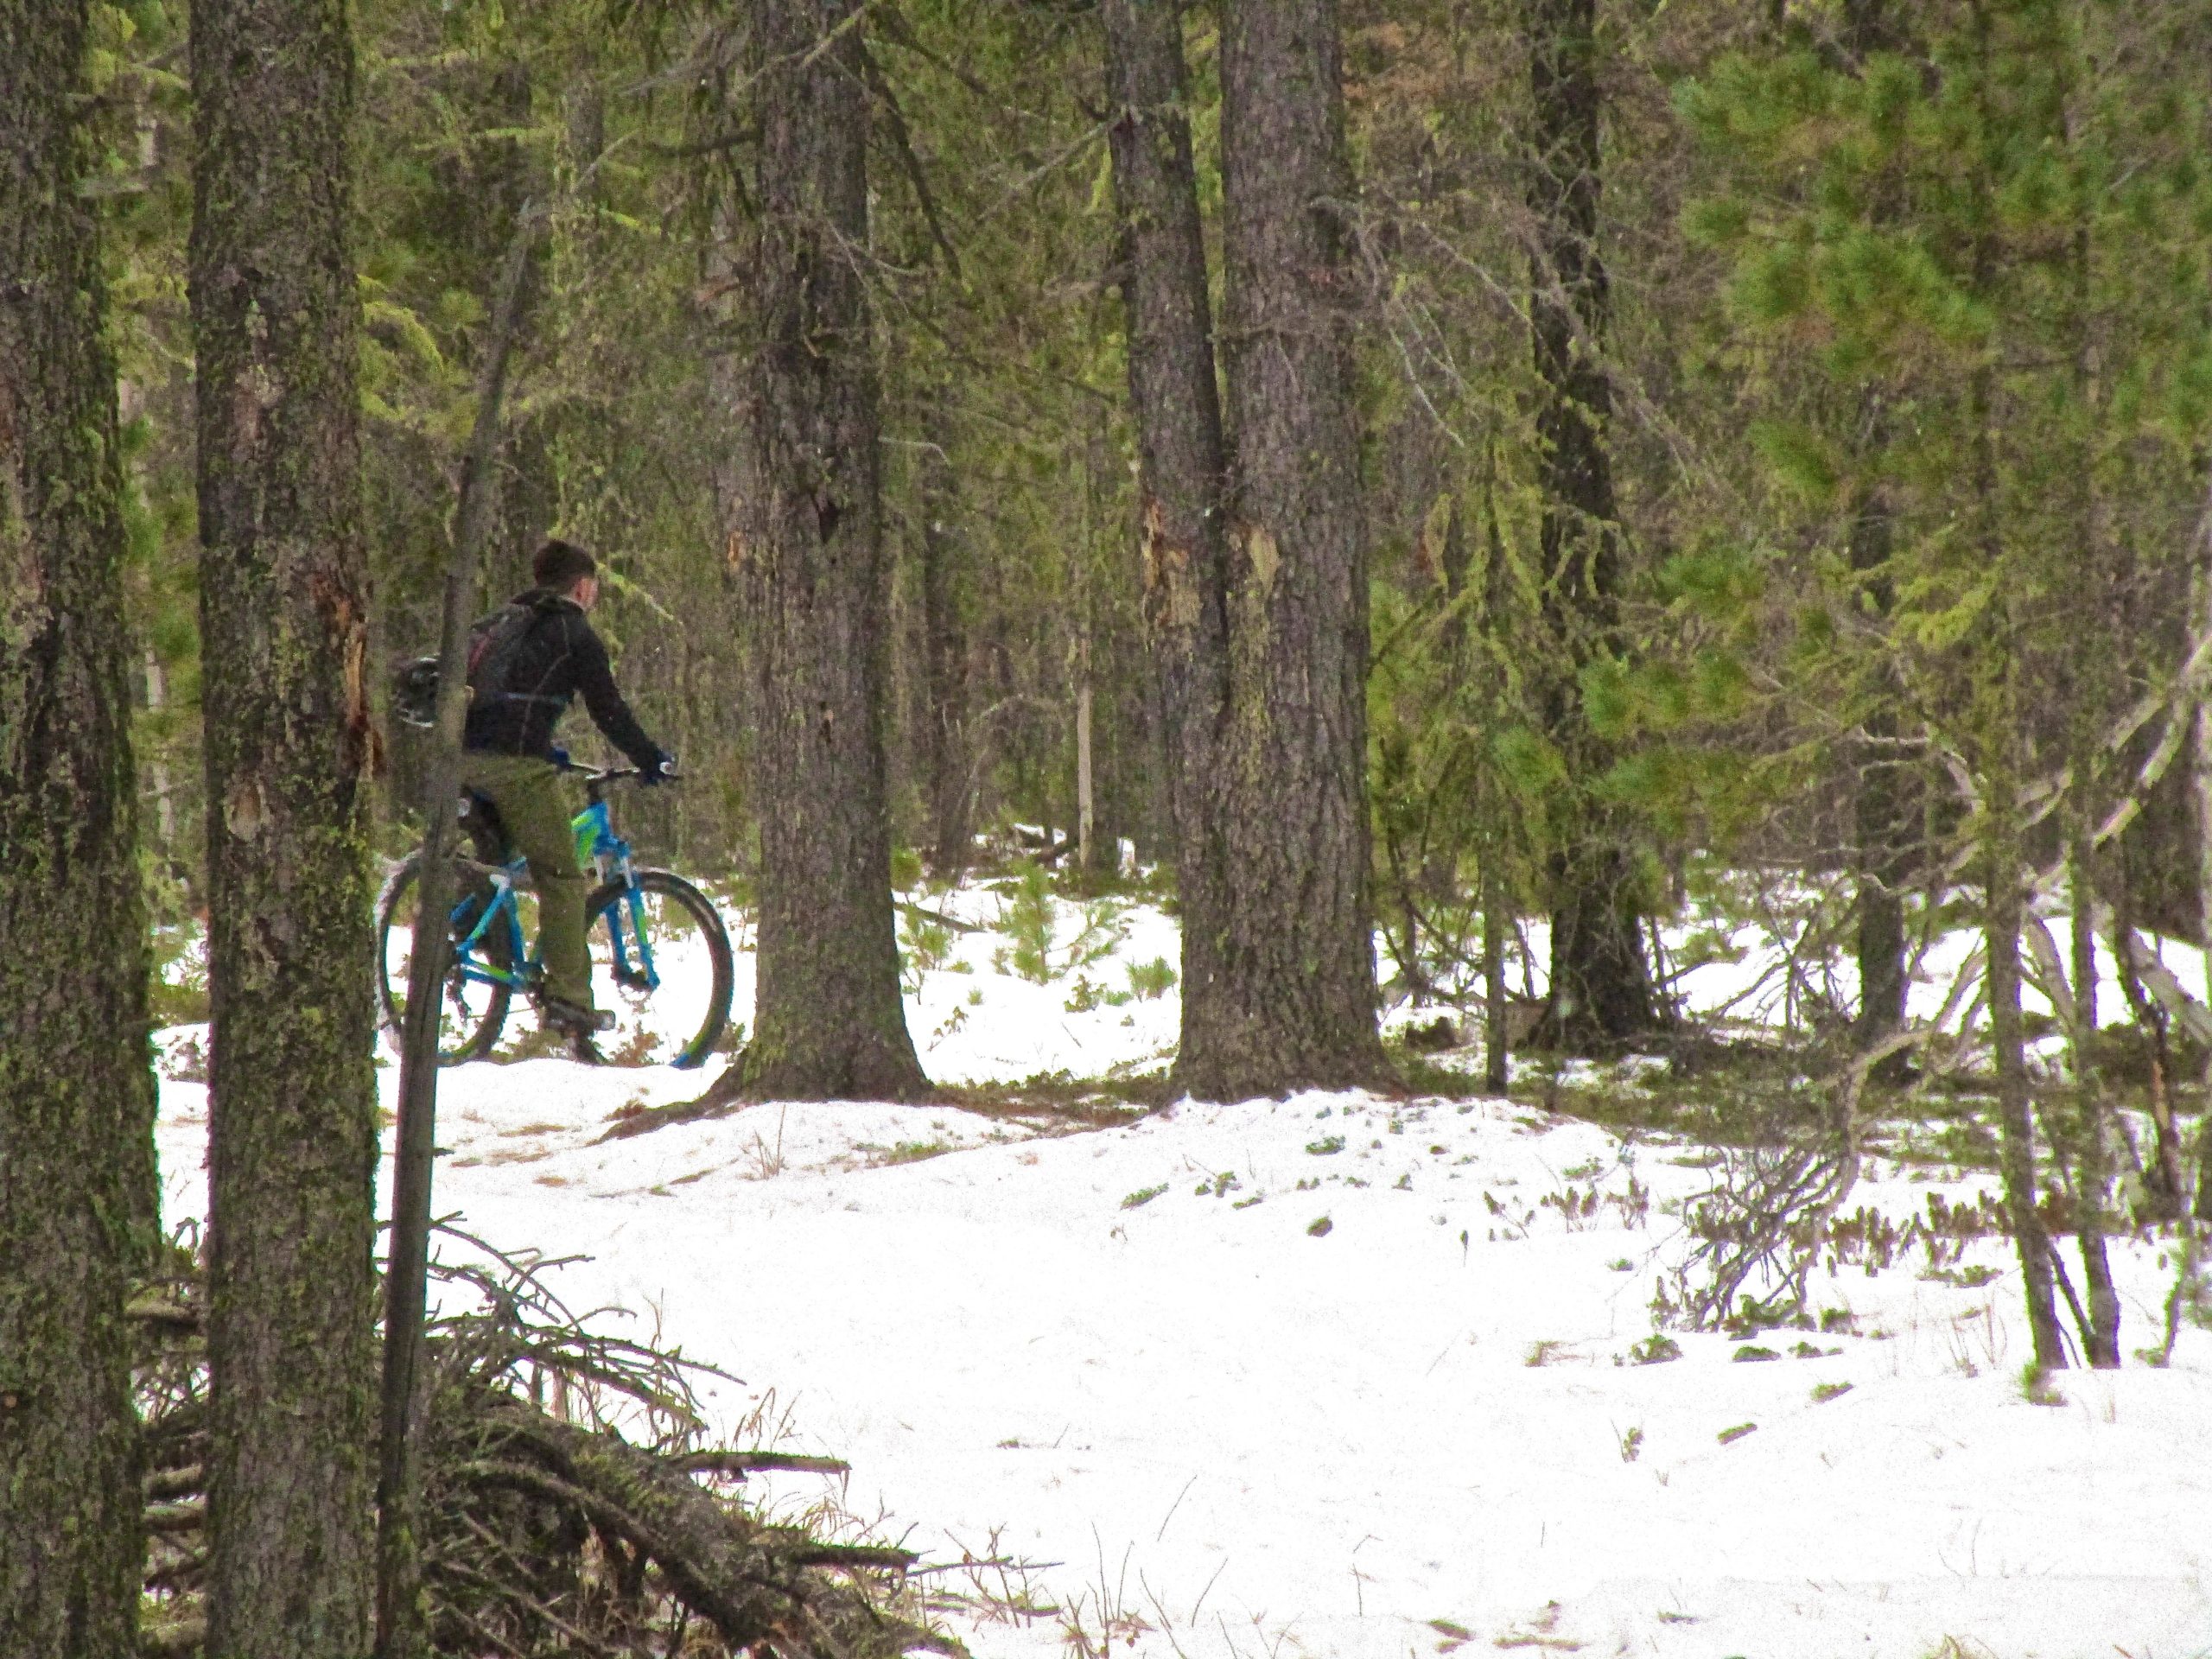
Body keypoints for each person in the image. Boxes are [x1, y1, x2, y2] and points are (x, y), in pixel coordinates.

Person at [461, 537, 674, 1042]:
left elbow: (510, 701)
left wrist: (544, 745)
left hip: (460, 759)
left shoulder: (505, 622)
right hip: (513, 767)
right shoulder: (573, 632)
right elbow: (608, 710)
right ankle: (570, 1002)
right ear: (582, 585)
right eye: (595, 587)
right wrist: (649, 758)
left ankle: (468, 927)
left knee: (501, 866)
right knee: (560, 877)